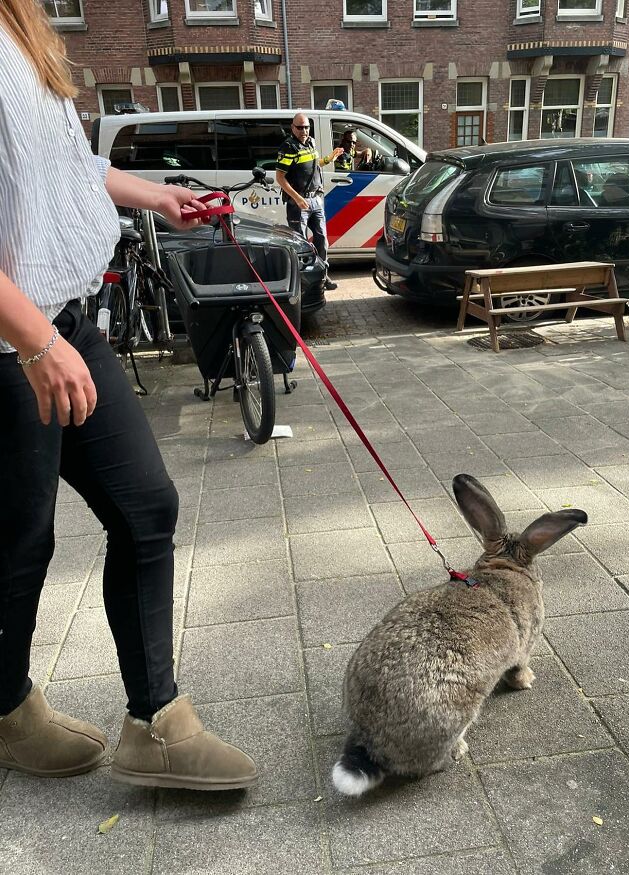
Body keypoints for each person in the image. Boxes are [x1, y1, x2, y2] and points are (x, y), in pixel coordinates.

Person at [0, 0, 258, 791]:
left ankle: (157, 723)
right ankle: (6, 709)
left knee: (147, 506)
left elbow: (61, 168)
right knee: (18, 543)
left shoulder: (21, 23)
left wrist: (154, 195)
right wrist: (34, 342)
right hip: (13, 337)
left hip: (60, 317)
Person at [276, 113, 344, 291]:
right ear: (292, 128)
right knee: (300, 243)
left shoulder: (311, 142)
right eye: (300, 127)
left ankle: (322, 276)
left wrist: (330, 158)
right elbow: (280, 178)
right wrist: (297, 198)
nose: (304, 131)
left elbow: (315, 164)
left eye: (306, 127)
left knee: (322, 240)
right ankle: (303, 282)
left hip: (315, 200)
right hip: (299, 203)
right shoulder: (288, 147)